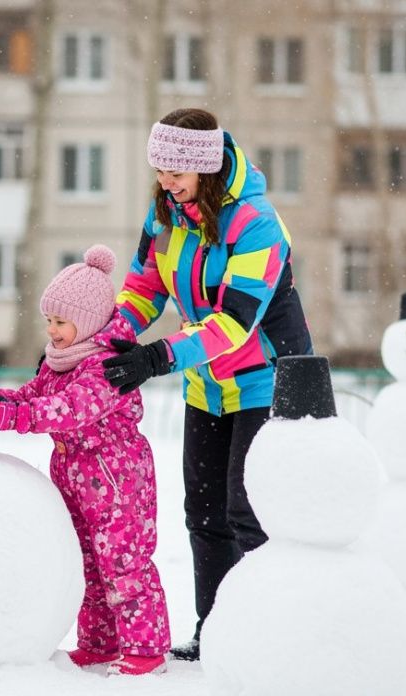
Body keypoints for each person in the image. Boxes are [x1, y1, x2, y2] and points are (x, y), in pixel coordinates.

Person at [100, 108, 313, 661]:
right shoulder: (166, 214)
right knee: (204, 513)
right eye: (160, 171)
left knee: (248, 515)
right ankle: (216, 631)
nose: (165, 183)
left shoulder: (257, 224)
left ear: (206, 169)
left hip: (267, 382)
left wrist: (158, 358)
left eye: (176, 172)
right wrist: (107, 337)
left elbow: (235, 323)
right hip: (208, 383)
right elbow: (144, 286)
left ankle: (264, 634)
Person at [0, 245, 171, 676]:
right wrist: (0, 400)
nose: (54, 330)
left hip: (115, 477)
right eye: (50, 321)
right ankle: (99, 643)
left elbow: (71, 409)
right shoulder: (60, 361)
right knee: (88, 563)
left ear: (90, 320)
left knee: (123, 562)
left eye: (62, 321)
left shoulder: (106, 365)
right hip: (75, 477)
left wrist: (16, 418)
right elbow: (35, 395)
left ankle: (145, 648)